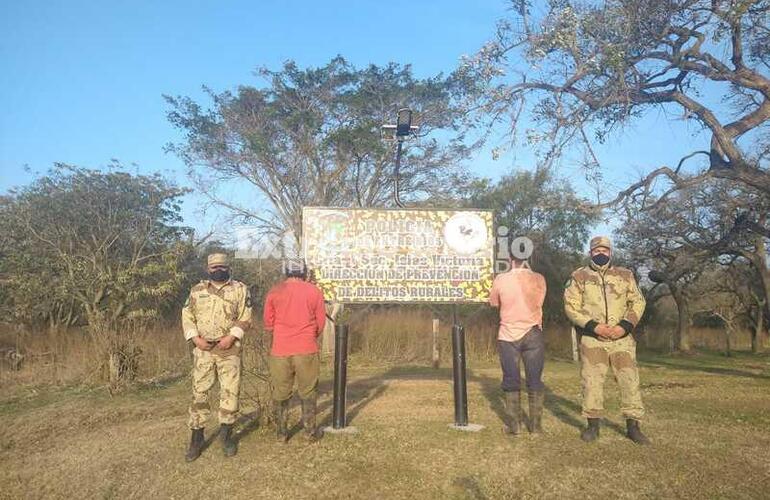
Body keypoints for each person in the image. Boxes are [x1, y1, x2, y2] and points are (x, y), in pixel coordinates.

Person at [564, 236, 650, 445]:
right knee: (592, 382)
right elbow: (570, 306)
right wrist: (594, 326)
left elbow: (638, 302)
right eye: (596, 250)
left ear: (611, 252)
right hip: (593, 339)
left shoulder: (625, 274)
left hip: (622, 338)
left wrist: (625, 326)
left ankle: (633, 426)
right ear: (590, 252)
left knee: (629, 380)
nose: (600, 254)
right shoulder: (579, 276)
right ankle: (593, 426)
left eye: (605, 250)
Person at [181, 253, 252, 461]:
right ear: (208, 269)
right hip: (203, 350)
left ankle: (226, 437)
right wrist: (195, 339)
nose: (218, 270)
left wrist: (232, 337)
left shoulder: (240, 289)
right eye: (214, 267)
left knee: (230, 393)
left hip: (229, 350)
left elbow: (246, 317)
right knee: (199, 393)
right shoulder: (197, 290)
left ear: (228, 267)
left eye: (221, 266)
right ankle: (196, 439)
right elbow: (187, 317)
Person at [263, 259, 327, 443]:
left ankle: (281, 434)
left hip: (280, 350)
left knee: (281, 393)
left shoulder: (275, 291)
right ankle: (309, 432)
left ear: (286, 271)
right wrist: (309, 336)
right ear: (304, 271)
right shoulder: (314, 291)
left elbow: (268, 322)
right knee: (308, 391)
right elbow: (320, 321)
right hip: (306, 348)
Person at [489, 256, 547, 435]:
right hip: (533, 332)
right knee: (535, 379)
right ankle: (536, 427)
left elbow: (493, 303)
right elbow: (540, 302)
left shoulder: (500, 279)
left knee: (511, 378)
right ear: (528, 257)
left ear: (509, 259)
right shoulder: (539, 278)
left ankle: (514, 426)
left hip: (508, 335)